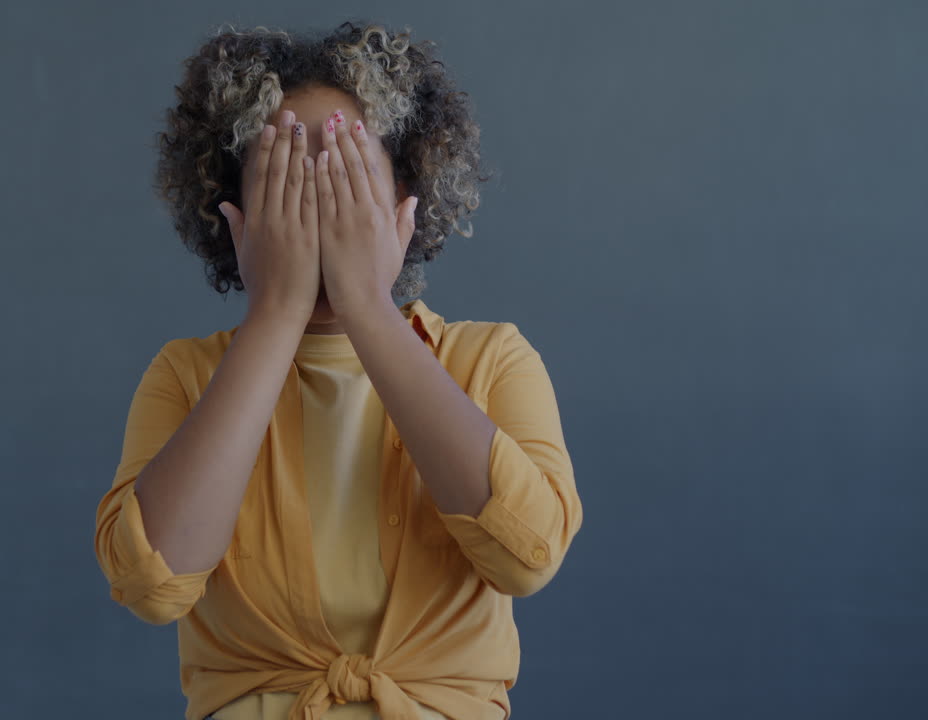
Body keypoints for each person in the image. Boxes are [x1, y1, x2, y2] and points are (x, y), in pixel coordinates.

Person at [94, 20, 584, 720]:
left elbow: (527, 557)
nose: (318, 199)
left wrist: (365, 304)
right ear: (235, 215)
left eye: (346, 168)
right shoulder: (185, 374)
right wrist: (275, 312)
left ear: (403, 206)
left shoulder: (493, 359)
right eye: (287, 170)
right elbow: (151, 585)